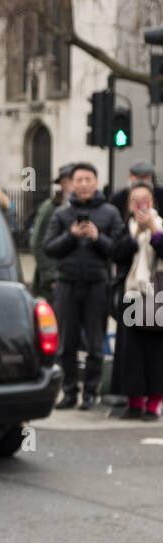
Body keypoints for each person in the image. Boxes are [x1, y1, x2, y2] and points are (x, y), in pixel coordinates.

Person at [43, 162, 125, 410]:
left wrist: (97, 237)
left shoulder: (110, 213)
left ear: (96, 183)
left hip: (97, 284)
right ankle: (69, 392)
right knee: (66, 343)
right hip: (67, 283)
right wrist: (72, 235)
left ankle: (90, 392)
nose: (84, 184)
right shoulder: (61, 214)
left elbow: (119, 250)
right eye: (79, 179)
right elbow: (49, 247)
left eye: (88, 179)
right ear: (73, 183)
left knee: (95, 342)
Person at [109, 183, 163, 419]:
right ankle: (134, 403)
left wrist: (154, 232)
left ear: (152, 203)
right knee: (130, 352)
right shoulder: (125, 229)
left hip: (158, 296)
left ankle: (153, 405)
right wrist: (136, 235)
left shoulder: (160, 225)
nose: (141, 204)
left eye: (146, 199)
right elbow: (116, 254)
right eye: (136, 200)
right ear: (130, 205)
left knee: (156, 352)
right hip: (132, 296)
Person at [29, 164, 74, 299]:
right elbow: (36, 242)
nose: (71, 185)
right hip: (55, 278)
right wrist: (50, 276)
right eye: (67, 181)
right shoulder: (50, 208)